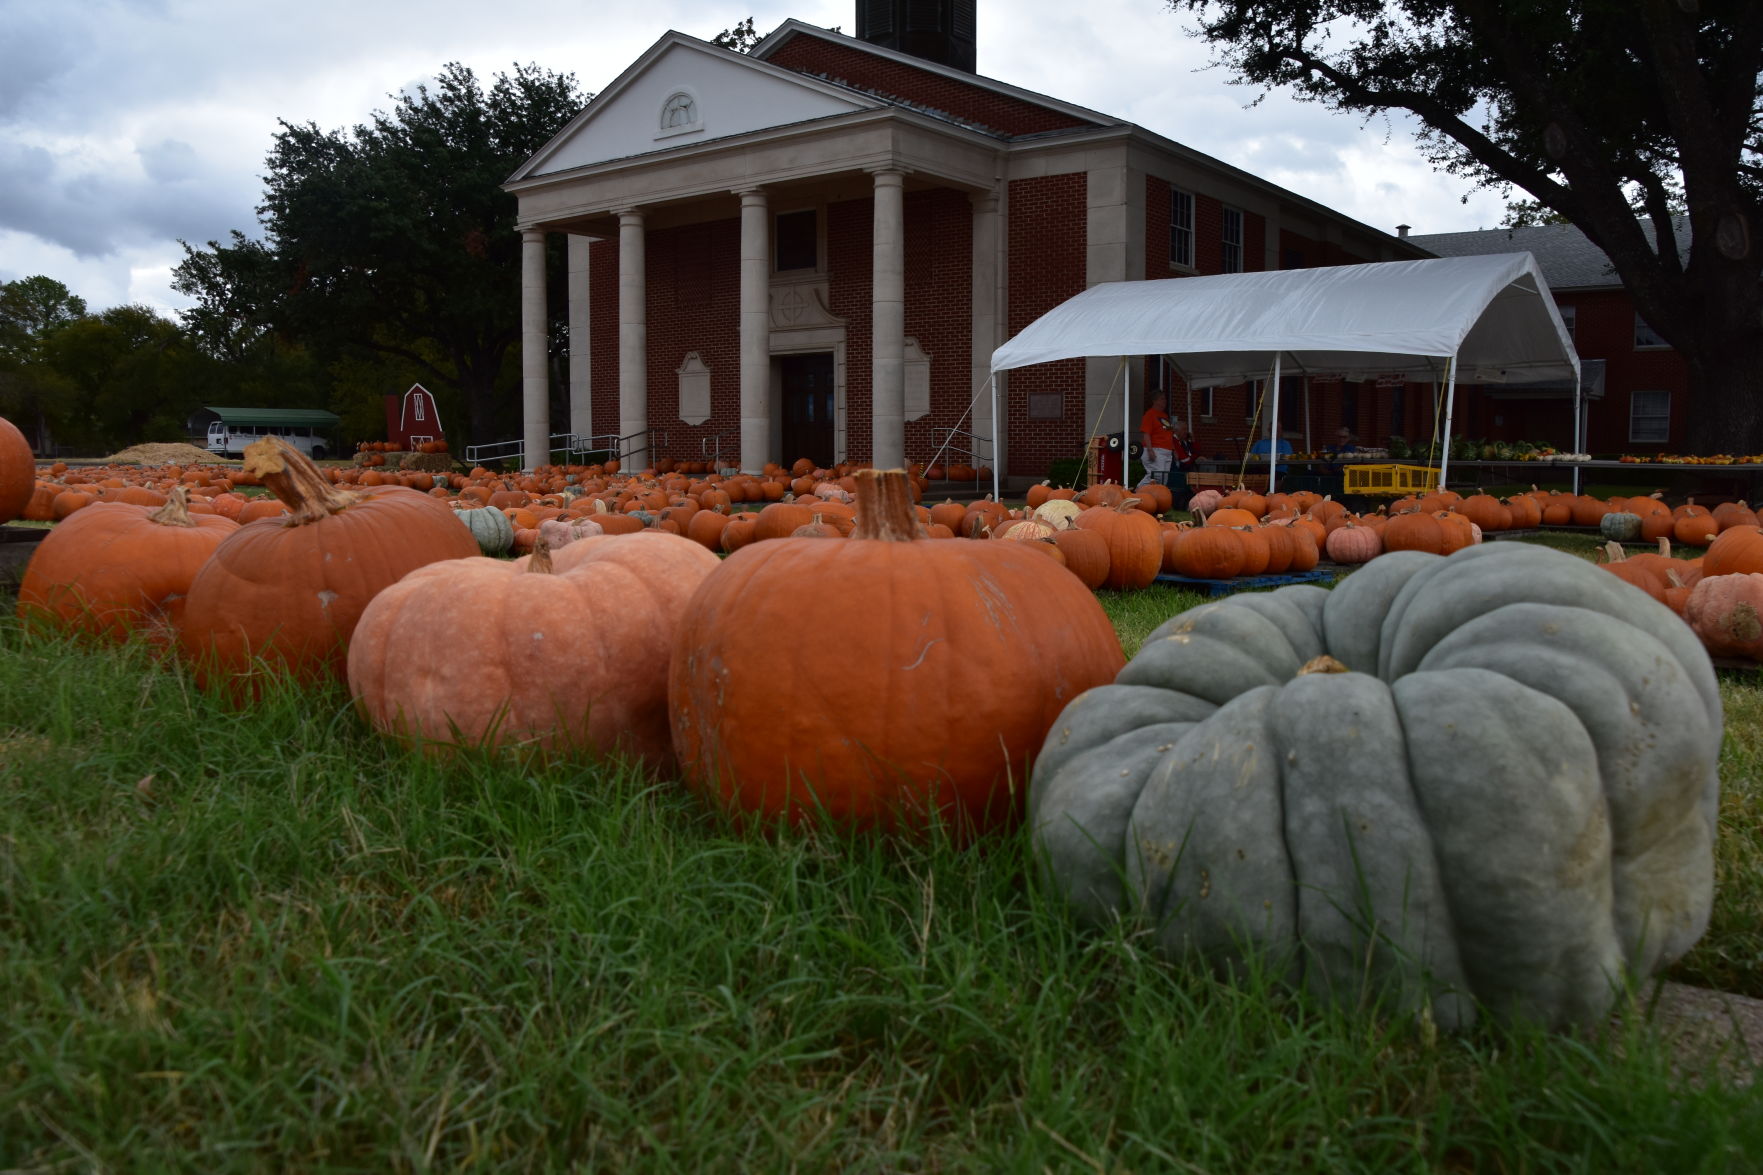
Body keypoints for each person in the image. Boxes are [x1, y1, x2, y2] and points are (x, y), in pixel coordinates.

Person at [1139, 392, 1177, 488]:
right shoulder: (1149, 414)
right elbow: (1146, 434)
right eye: (1162, 399)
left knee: (1163, 479)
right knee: (1156, 476)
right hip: (1156, 450)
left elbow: (1168, 434)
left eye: (1164, 399)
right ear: (1154, 401)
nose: (1165, 401)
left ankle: (1155, 499)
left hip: (1167, 451)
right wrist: (1150, 450)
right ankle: (1137, 491)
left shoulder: (1164, 416)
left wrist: (1173, 450)